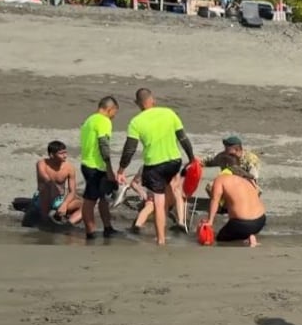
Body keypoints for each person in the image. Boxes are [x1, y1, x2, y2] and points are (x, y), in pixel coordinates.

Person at [116, 88, 197, 245]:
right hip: (174, 162)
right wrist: (192, 158)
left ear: (137, 103)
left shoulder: (136, 122)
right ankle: (179, 221)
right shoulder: (169, 113)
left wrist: (121, 170)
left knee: (158, 203)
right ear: (153, 100)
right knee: (173, 190)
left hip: (154, 166)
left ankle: (161, 240)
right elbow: (183, 139)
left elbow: (130, 149)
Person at [78, 96, 121, 240]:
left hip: (89, 164)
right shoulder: (104, 121)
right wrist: (109, 169)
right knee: (90, 200)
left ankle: (108, 228)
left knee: (103, 198)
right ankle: (90, 232)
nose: (115, 116)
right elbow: (104, 145)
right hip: (94, 167)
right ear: (110, 109)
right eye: (115, 113)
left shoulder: (89, 120)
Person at [205, 167, 266, 246]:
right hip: (260, 221)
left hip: (242, 224)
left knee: (220, 238)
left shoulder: (221, 179)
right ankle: (250, 236)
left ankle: (246, 235)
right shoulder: (248, 181)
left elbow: (214, 200)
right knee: (242, 228)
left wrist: (210, 221)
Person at [33, 141, 83, 226]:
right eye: (61, 153)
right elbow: (47, 180)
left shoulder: (69, 168)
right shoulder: (42, 164)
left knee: (85, 206)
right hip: (43, 198)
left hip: (59, 200)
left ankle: (68, 225)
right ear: (52, 155)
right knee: (46, 190)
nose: (65, 156)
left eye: (65, 152)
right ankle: (45, 221)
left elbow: (72, 191)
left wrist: (65, 204)